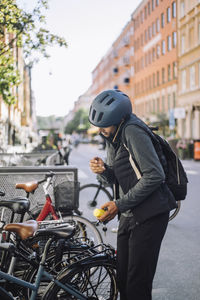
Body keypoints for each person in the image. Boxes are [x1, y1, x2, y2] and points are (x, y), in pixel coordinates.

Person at [88, 89, 177, 300]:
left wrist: (119, 204)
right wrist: (104, 172)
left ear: (119, 118)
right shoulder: (114, 136)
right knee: (123, 282)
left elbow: (154, 176)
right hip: (129, 215)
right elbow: (118, 178)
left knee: (137, 284)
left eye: (105, 125)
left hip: (149, 216)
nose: (101, 130)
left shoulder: (133, 132)